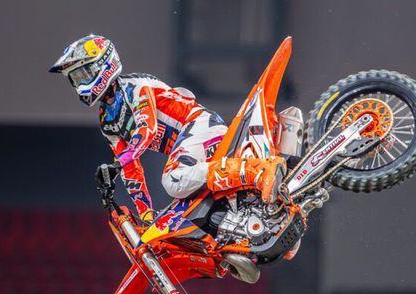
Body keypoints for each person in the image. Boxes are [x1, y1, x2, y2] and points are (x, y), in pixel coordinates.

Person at [49, 34, 286, 223]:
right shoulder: (107, 121)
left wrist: (118, 163)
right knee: (189, 214)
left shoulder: (136, 88)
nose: (79, 84)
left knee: (174, 179)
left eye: (83, 74)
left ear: (103, 65)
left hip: (199, 124)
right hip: (191, 143)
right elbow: (131, 170)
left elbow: (147, 130)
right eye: (75, 78)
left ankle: (256, 170)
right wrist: (146, 216)